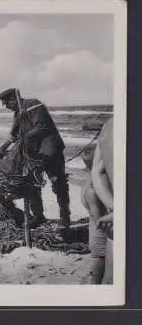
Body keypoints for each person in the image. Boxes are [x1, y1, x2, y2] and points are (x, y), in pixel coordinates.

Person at [0, 88, 70, 230]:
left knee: (57, 182)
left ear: (13, 99)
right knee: (29, 183)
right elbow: (15, 135)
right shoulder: (18, 113)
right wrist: (4, 147)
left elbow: (42, 127)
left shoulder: (33, 104)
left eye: (6, 103)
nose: (6, 107)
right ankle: (38, 216)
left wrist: (24, 138)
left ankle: (65, 217)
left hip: (50, 150)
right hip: (35, 153)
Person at [91, 117, 114, 284]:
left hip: (109, 211)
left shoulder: (109, 126)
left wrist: (113, 206)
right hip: (106, 216)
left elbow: (97, 171)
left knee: (110, 275)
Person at [81, 146, 108, 284]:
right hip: (100, 237)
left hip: (95, 234)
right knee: (98, 275)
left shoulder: (87, 183)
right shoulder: (92, 192)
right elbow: (99, 221)